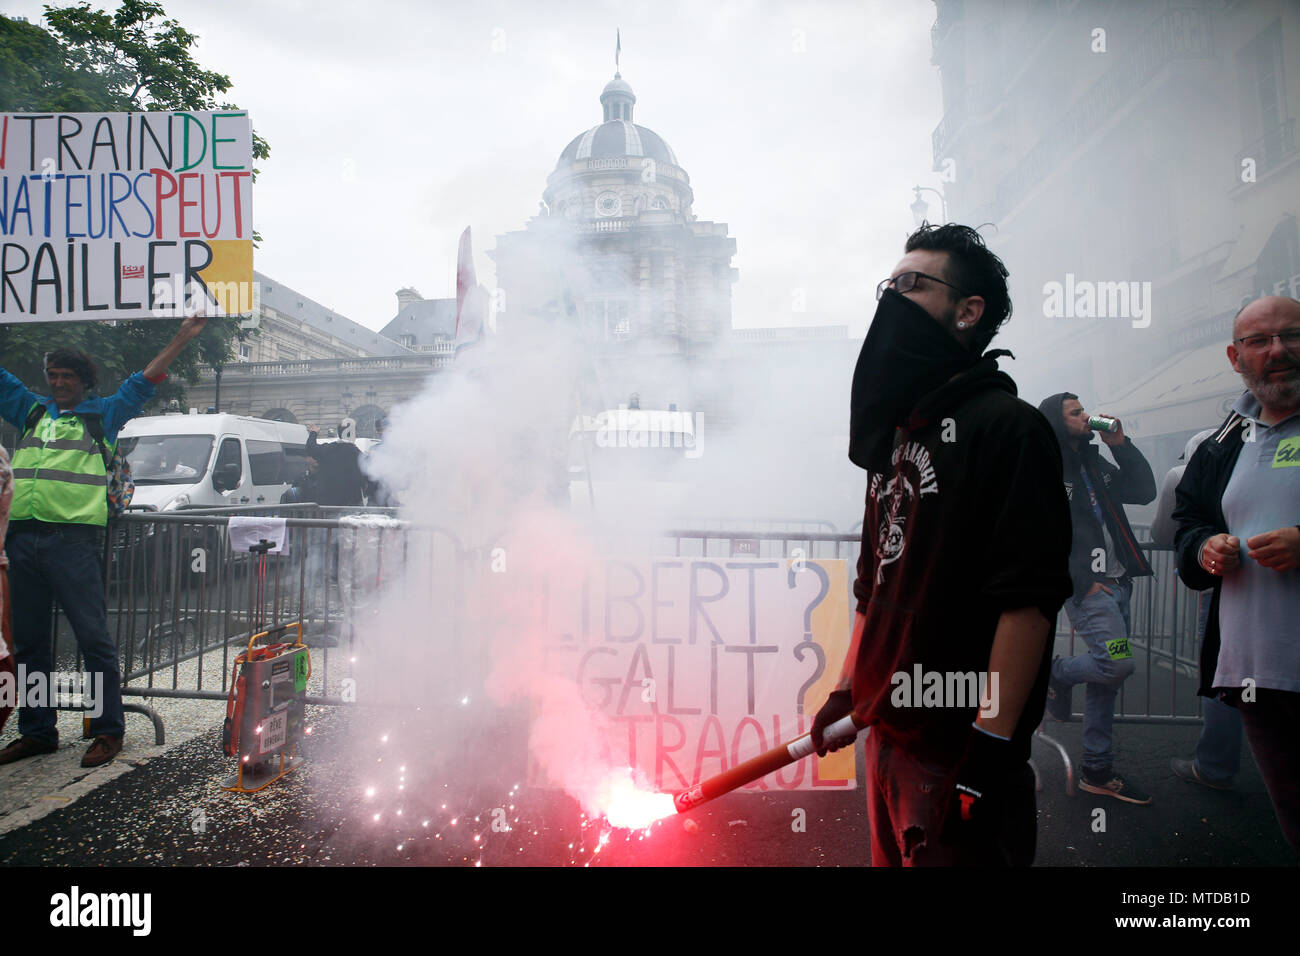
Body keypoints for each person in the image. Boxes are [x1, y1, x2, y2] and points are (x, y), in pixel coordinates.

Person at [811, 223, 1073, 866]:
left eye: (914, 284)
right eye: (889, 285)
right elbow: (875, 588)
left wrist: (988, 744)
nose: (893, 300)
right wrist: (848, 688)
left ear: (968, 310)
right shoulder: (896, 436)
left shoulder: (1010, 431)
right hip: (889, 731)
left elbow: (1027, 603)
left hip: (956, 745)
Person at [0, 316, 208, 768]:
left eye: (67, 378)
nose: (59, 384)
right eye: (53, 377)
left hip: (72, 543)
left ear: (83, 383)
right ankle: (38, 731)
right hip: (24, 541)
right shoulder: (29, 409)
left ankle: (108, 729)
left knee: (93, 640)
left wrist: (183, 337)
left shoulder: (103, 415)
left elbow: (144, 381)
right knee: (31, 645)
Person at [1173, 295, 1300, 855]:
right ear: (1235, 356)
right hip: (1257, 676)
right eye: (1260, 341)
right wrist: (1204, 549)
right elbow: (1188, 522)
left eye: (1292, 335)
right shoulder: (1223, 438)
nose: (1279, 350)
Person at [1037, 392, 1156, 804]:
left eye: (1084, 409)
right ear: (1056, 420)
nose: (1087, 416)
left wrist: (1119, 442)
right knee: (1116, 662)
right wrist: (1081, 580)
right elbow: (1041, 531)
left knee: (1109, 678)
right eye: (1076, 412)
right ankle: (1057, 673)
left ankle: (1097, 769)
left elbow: (1143, 491)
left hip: (1118, 584)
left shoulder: (1093, 460)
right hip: (1091, 590)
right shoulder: (1048, 467)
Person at [1150, 428, 1243, 791]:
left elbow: (1162, 530)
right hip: (1106, 590)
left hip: (1221, 584)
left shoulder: (1182, 473)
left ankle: (1215, 765)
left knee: (1222, 668)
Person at [306, 423, 366, 507]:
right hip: (351, 504)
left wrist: (313, 433)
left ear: (339, 433)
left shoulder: (327, 449)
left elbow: (311, 448)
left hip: (327, 503)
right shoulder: (358, 455)